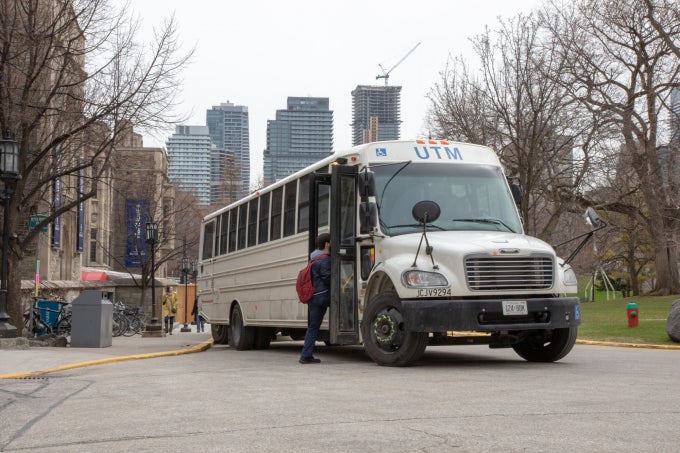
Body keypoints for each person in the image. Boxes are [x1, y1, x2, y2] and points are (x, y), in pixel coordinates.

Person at [299, 233, 331, 364]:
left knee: (313, 326)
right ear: (327, 244)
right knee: (313, 327)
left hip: (313, 296)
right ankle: (306, 355)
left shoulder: (314, 258)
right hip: (322, 296)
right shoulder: (324, 259)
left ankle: (306, 354)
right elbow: (327, 277)